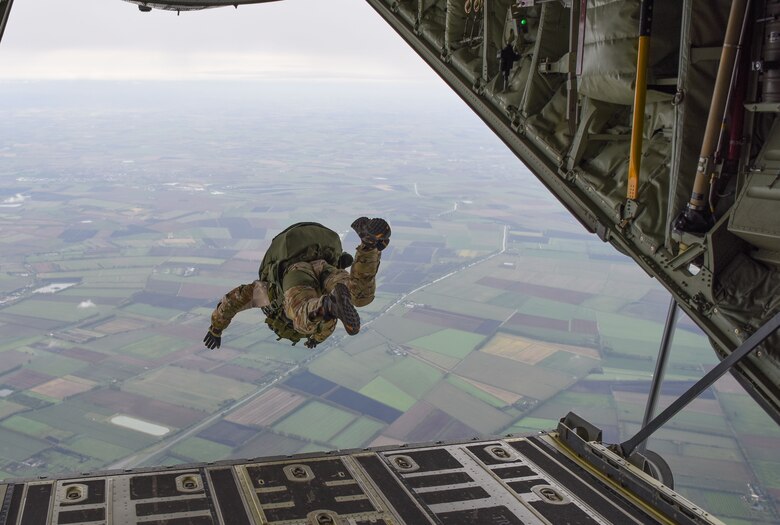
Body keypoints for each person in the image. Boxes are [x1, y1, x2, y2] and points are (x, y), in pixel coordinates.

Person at [203, 217, 390, 350]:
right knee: (358, 296)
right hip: (323, 264)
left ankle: (368, 247)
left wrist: (216, 329)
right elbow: (232, 301)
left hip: (296, 271)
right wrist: (216, 327)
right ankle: (368, 247)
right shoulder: (265, 293)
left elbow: (232, 301)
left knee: (302, 315)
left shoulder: (272, 297)